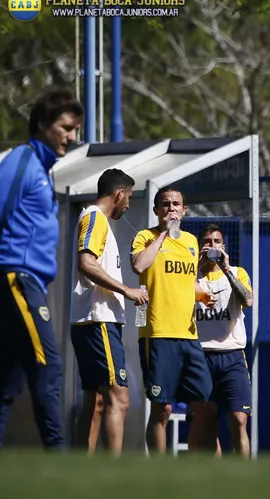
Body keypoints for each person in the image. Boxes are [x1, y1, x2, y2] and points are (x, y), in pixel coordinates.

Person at [0, 88, 83, 451]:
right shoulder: (21, 161)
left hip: (27, 282)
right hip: (16, 278)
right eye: (66, 128)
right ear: (42, 125)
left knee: (7, 381)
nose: (72, 137)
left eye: (76, 129)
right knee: (48, 365)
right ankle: (58, 456)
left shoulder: (45, 172)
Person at [131, 187, 217, 455]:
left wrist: (202, 294)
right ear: (157, 210)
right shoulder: (145, 236)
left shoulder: (192, 241)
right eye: (165, 204)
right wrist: (165, 235)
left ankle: (197, 466)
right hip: (158, 334)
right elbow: (139, 266)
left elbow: (187, 282)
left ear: (184, 209)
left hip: (189, 336)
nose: (171, 209)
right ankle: (158, 471)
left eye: (176, 204)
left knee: (206, 404)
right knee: (162, 407)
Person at [70, 168, 148, 456]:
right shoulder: (94, 217)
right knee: (120, 397)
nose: (128, 205)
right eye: (128, 197)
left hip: (92, 322)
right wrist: (127, 290)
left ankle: (83, 470)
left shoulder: (98, 221)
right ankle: (115, 473)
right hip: (98, 320)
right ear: (119, 194)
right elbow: (86, 263)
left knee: (95, 402)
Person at [189, 223, 254, 459]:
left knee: (238, 420)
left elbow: (248, 300)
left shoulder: (237, 272)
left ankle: (243, 480)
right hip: (201, 356)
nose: (212, 247)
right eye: (207, 242)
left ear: (224, 247)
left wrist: (226, 269)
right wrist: (196, 265)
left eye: (216, 242)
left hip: (233, 355)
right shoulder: (190, 275)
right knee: (207, 423)